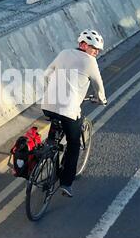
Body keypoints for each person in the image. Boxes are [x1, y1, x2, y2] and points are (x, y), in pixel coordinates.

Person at [41, 29, 108, 198]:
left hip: (48, 105)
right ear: (83, 45)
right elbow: (98, 86)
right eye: (94, 48)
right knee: (73, 144)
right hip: (69, 111)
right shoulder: (90, 62)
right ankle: (66, 183)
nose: (96, 52)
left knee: (53, 136)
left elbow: (46, 74)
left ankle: (47, 160)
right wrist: (101, 100)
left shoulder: (64, 53)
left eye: (98, 50)